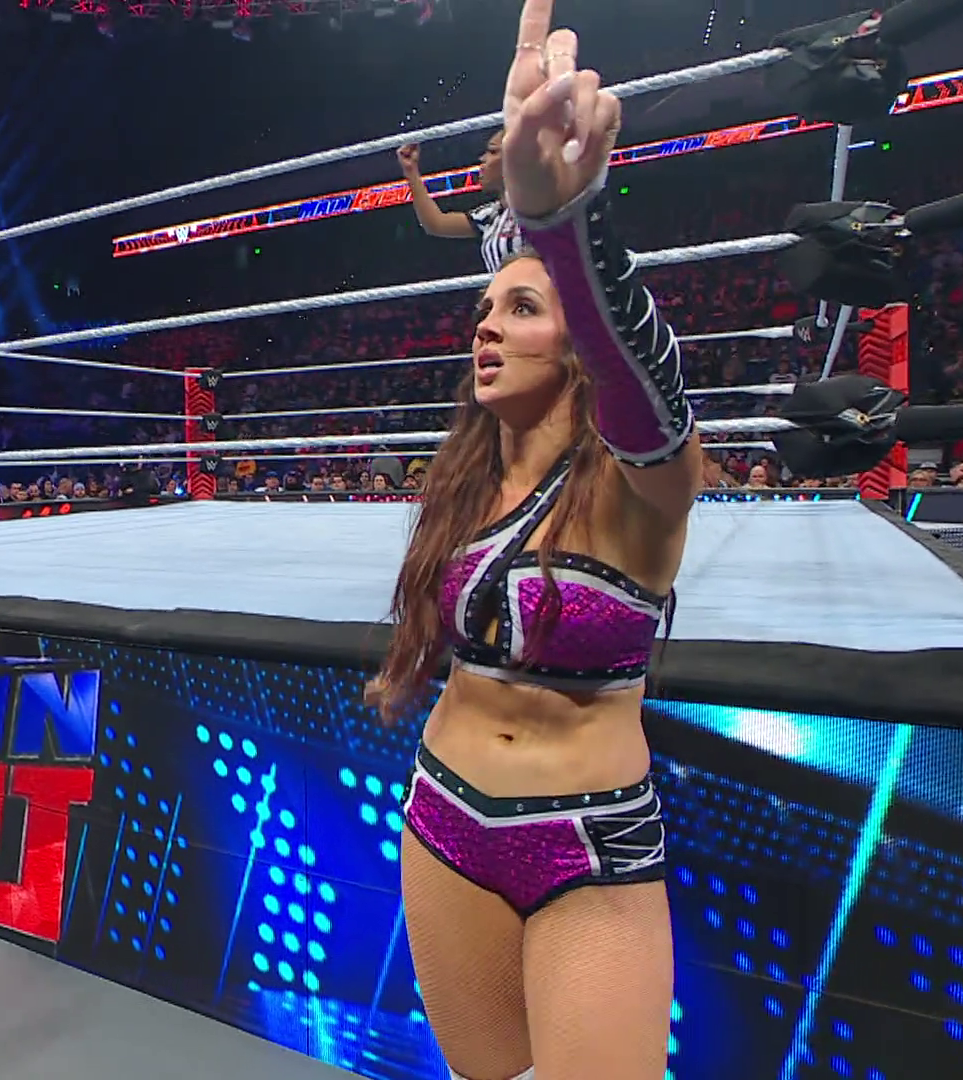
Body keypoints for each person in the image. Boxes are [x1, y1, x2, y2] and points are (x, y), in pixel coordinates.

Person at [371, 10, 694, 1080]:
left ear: (577, 343)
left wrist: (568, 227)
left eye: (520, 308)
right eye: (484, 308)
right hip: (443, 815)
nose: (486, 326)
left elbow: (650, 386)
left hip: (587, 839)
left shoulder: (641, 489)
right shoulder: (464, 484)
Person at [396, 131, 524, 273]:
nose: (482, 159)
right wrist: (411, 171)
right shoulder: (492, 214)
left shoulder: (541, 207)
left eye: (493, 151)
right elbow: (436, 224)